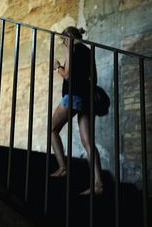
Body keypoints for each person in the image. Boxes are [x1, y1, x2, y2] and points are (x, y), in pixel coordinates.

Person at [50, 26, 103, 195]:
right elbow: (93, 79)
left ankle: (63, 167)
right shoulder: (88, 50)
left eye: (63, 40)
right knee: (88, 142)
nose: (64, 43)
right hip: (86, 98)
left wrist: (58, 66)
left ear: (68, 37)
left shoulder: (70, 47)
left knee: (51, 129)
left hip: (72, 96)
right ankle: (99, 184)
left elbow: (67, 75)